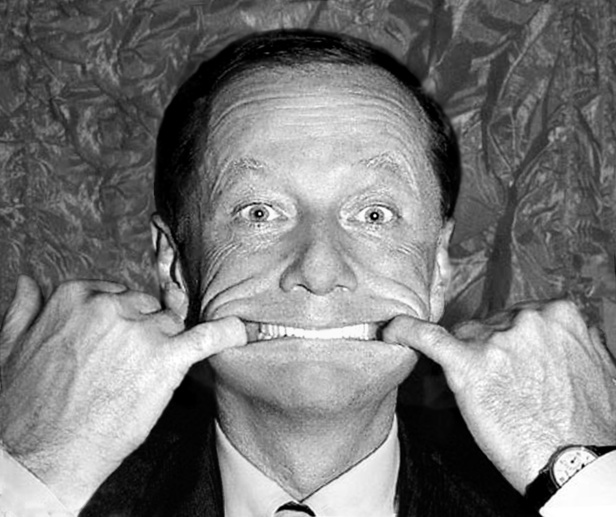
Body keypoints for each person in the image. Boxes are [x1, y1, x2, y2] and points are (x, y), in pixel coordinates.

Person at [1, 29, 615, 517]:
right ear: (176, 266)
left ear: (437, 268)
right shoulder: (56, 492)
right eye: (259, 212)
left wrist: (588, 482)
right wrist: (31, 472)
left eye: (374, 215)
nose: (318, 271)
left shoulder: (560, 500)